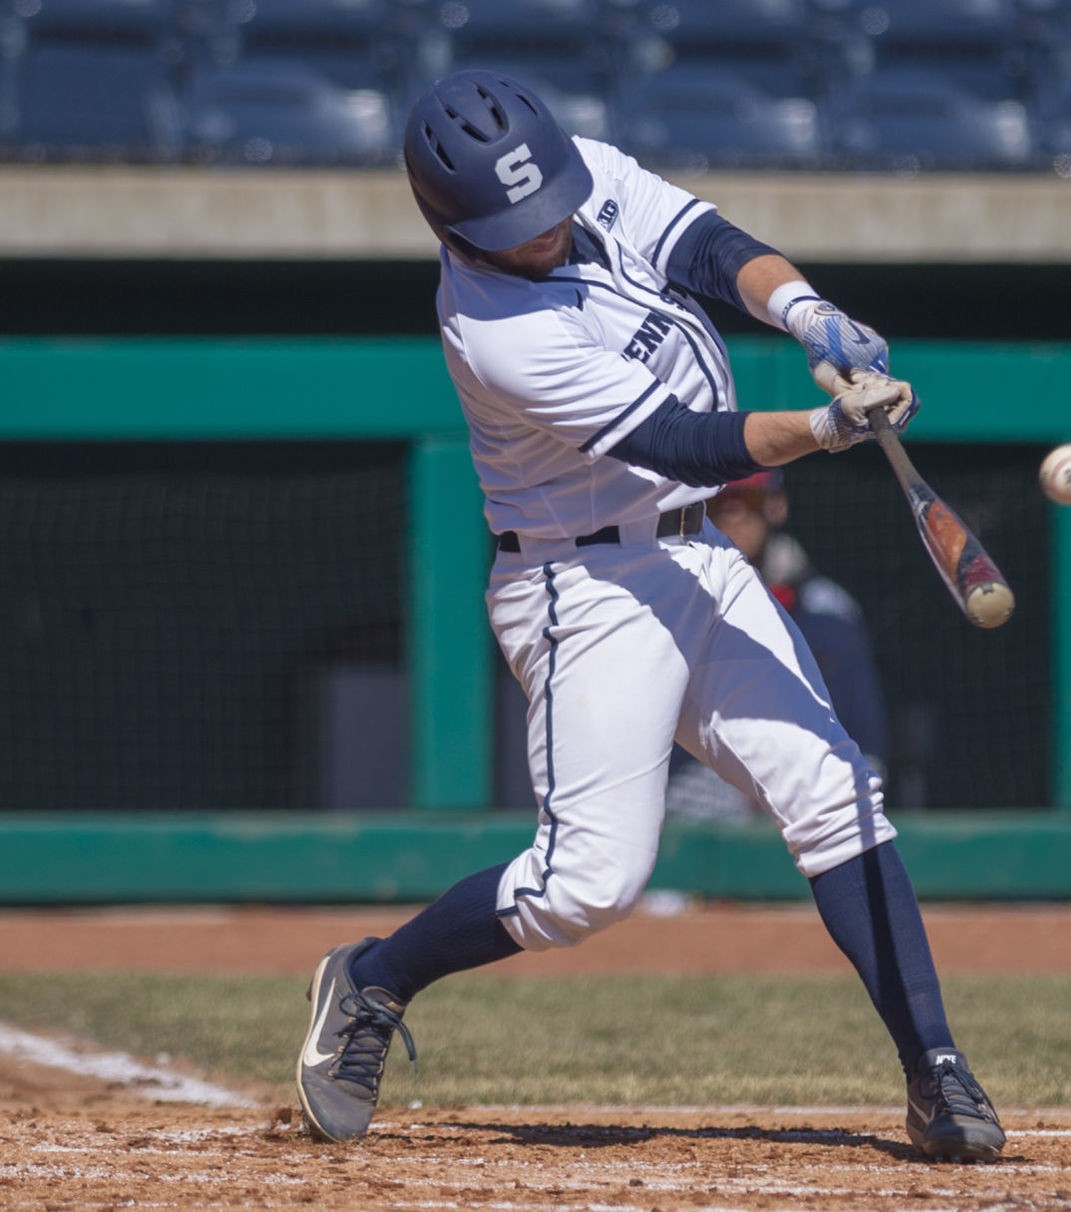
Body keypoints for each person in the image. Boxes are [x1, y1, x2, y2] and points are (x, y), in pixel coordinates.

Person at [293, 69, 1004, 1164]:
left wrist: (806, 309)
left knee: (833, 791)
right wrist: (823, 423)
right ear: (456, 226)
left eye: (548, 208)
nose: (545, 232)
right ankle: (375, 977)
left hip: (696, 560)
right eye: (514, 226)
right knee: (587, 887)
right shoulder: (491, 330)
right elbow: (685, 444)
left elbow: (710, 250)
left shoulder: (572, 172)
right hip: (583, 591)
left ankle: (935, 1071)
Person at [666, 469, 888, 822]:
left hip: (800, 785)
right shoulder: (675, 600)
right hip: (702, 791)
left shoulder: (826, 612)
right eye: (722, 502)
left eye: (749, 501)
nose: (735, 515)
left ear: (775, 507)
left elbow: (863, 735)